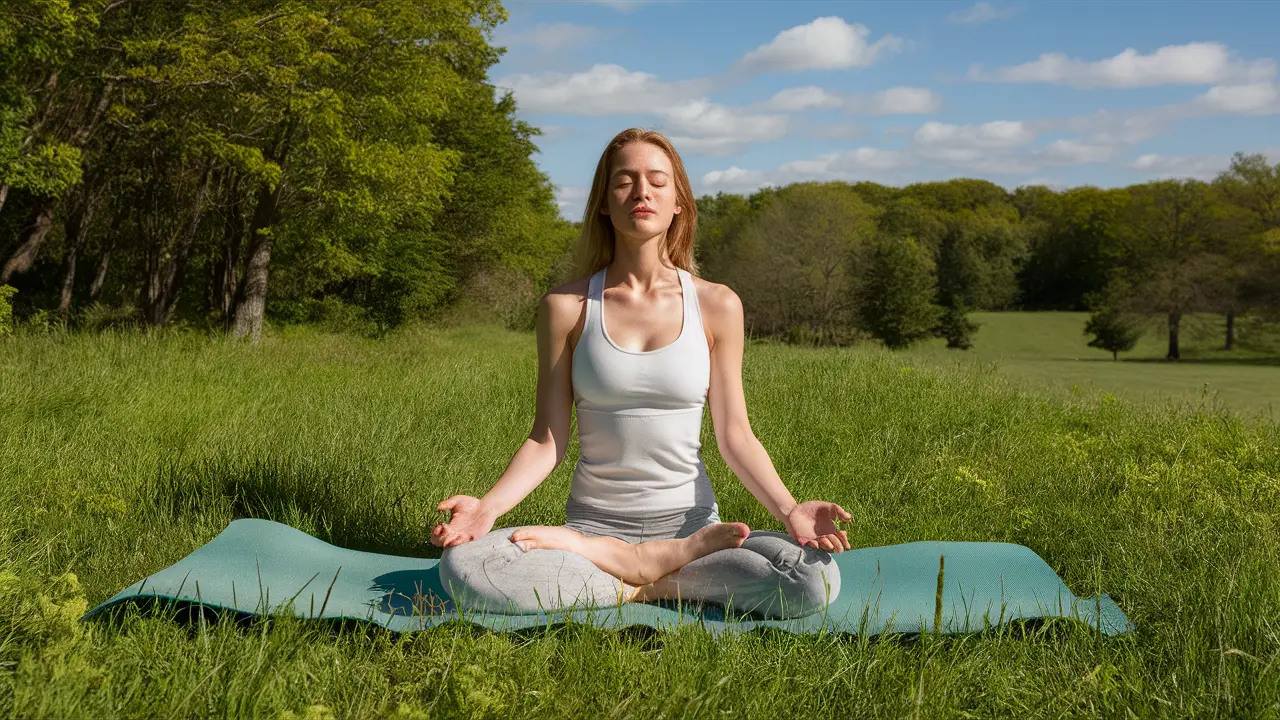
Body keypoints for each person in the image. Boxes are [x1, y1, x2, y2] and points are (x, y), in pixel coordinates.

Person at [430, 127, 852, 620]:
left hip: (695, 529)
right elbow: (548, 438)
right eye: (624, 181)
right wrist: (488, 509)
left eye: (657, 180)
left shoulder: (717, 304)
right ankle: (652, 573)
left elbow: (735, 434)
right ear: (605, 203)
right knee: (466, 567)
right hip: (590, 533)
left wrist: (789, 509)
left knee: (811, 579)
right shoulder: (566, 307)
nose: (641, 191)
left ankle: (639, 578)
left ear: (679, 203)